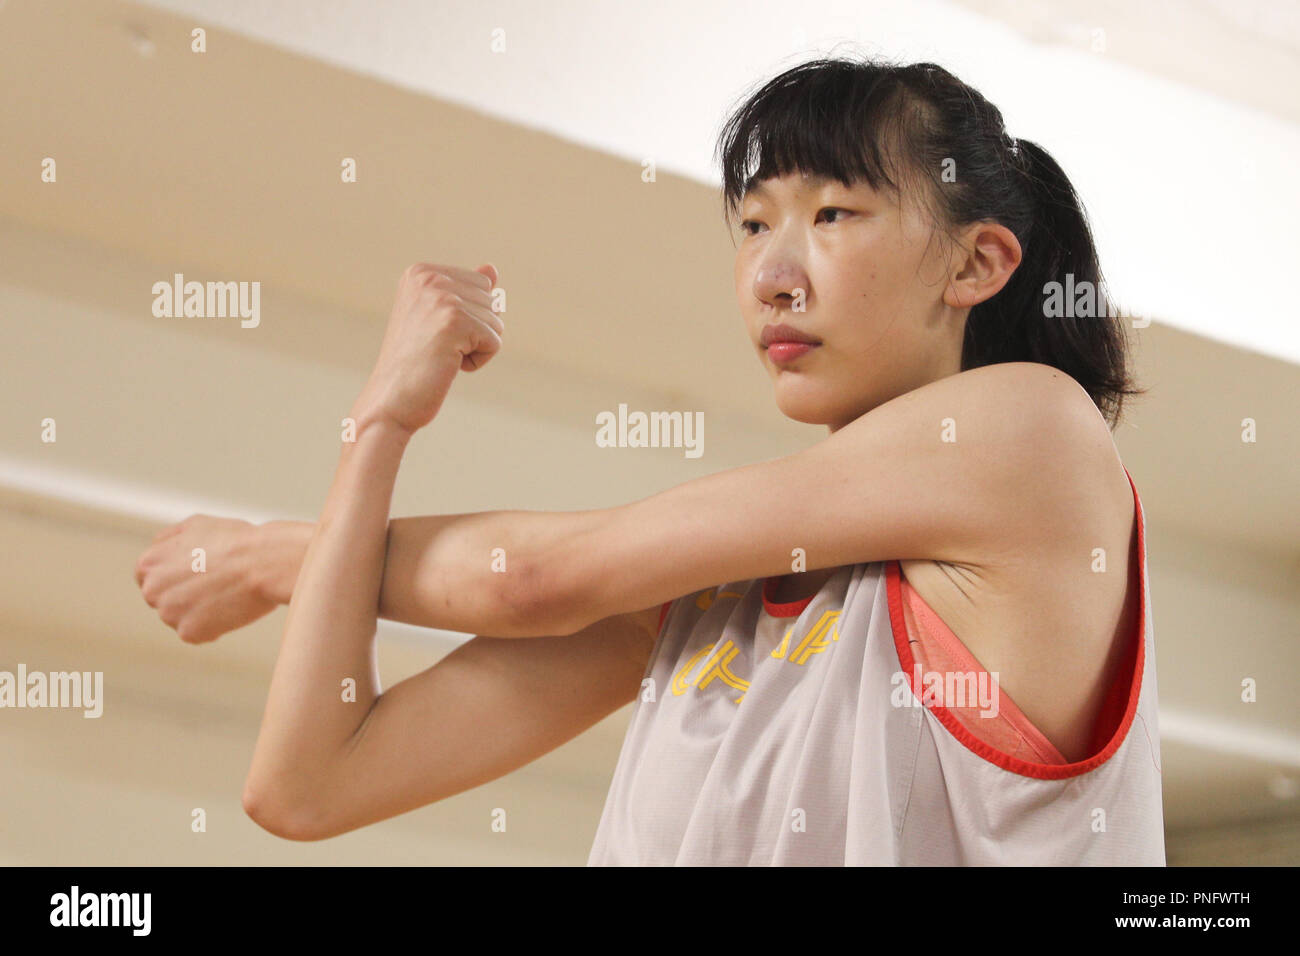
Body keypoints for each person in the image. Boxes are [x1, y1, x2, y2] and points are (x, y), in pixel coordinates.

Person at [134, 55, 1163, 865]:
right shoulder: (699, 604)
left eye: (831, 214)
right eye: (754, 223)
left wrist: (274, 558)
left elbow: (545, 576)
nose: (769, 272)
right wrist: (382, 419)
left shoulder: (1034, 431)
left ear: (976, 261)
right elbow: (307, 785)